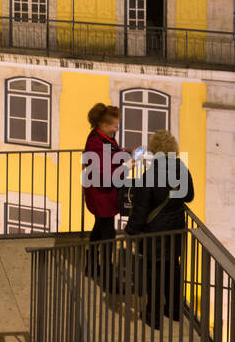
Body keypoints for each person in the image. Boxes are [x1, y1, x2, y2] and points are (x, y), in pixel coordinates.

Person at [125, 128, 194, 327]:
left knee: (153, 273)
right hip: (176, 230)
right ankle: (173, 311)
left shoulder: (149, 175)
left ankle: (153, 316)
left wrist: (131, 230)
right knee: (172, 268)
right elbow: (189, 196)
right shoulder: (181, 168)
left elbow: (140, 211)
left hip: (154, 233)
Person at [83, 103, 123, 288]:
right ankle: (108, 278)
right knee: (108, 236)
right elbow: (104, 174)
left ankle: (91, 266)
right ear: (104, 125)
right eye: (115, 125)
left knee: (99, 229)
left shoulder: (102, 138)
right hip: (102, 196)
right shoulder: (97, 143)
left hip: (100, 195)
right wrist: (126, 167)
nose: (117, 128)